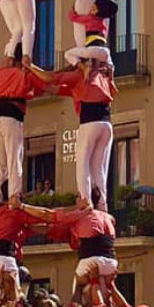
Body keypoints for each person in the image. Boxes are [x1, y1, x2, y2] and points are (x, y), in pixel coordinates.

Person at [26, 60, 117, 210]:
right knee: (99, 168)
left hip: (89, 122)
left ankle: (85, 200)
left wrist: (30, 66)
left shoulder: (78, 76)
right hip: (106, 125)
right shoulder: (102, 76)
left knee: (82, 165)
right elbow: (55, 89)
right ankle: (102, 204)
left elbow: (50, 79)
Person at [19, 193, 118, 299]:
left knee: (78, 290)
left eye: (77, 197)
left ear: (83, 198)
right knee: (107, 290)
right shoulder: (108, 217)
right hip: (111, 263)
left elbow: (48, 215)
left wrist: (22, 207)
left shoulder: (79, 215)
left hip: (91, 260)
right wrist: (28, 227)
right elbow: (51, 229)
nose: (74, 200)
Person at [0, 44, 47, 204]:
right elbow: (44, 84)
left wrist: (7, 60)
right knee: (14, 158)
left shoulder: (0, 72)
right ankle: (14, 195)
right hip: (11, 117)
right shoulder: (25, 75)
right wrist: (31, 67)